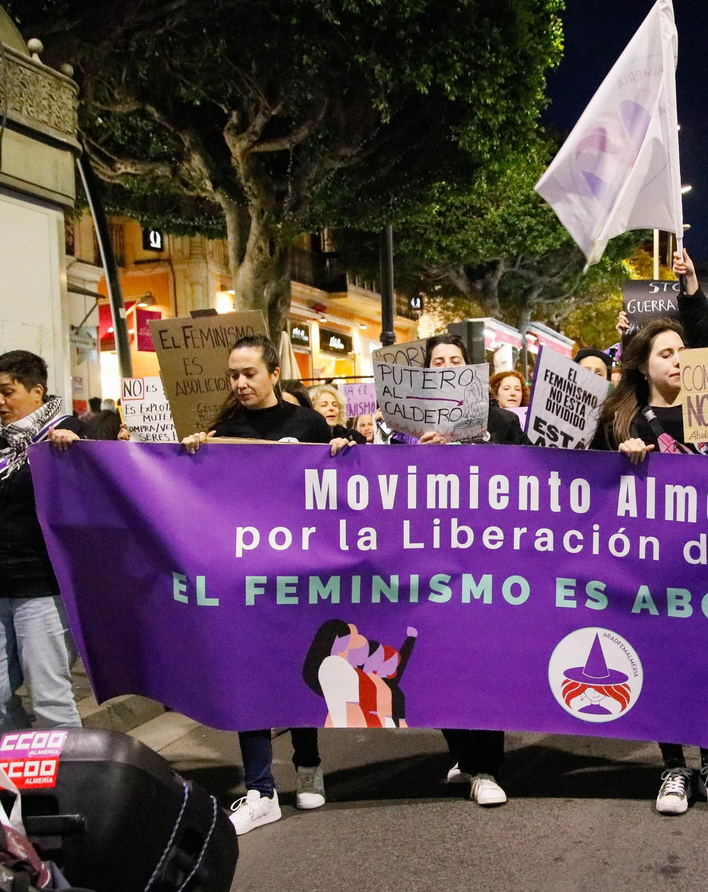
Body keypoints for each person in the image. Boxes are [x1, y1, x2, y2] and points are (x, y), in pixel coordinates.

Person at [345, 333, 523, 804]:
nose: (446, 366)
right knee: (438, 661)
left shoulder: (499, 422)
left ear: (470, 369)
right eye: (437, 361)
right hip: (426, 565)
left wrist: (467, 452)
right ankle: (464, 755)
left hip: (486, 562)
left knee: (479, 661)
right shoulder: (402, 430)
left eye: (455, 360)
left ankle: (487, 767)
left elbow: (531, 477)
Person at [591, 317, 708, 816]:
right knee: (664, 662)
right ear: (641, 364)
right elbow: (586, 490)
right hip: (650, 570)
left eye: (682, 350)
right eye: (665, 353)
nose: (678, 359)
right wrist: (619, 458)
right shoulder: (620, 422)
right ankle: (674, 766)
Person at [182, 336, 333, 834]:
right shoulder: (225, 430)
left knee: (302, 667)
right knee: (250, 674)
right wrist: (194, 457)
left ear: (273, 373)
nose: (240, 383)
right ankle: (260, 788)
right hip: (247, 576)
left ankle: (308, 767)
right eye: (233, 375)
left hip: (301, 571)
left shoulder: (306, 423)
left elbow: (338, 487)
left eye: (249, 373)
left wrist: (344, 448)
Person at [0, 350, 86, 735]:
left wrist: (77, 453)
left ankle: (72, 783)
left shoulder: (66, 434)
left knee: (49, 698)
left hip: (42, 587)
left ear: (37, 392)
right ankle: (20, 773)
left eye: (7, 392)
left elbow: (93, 496)